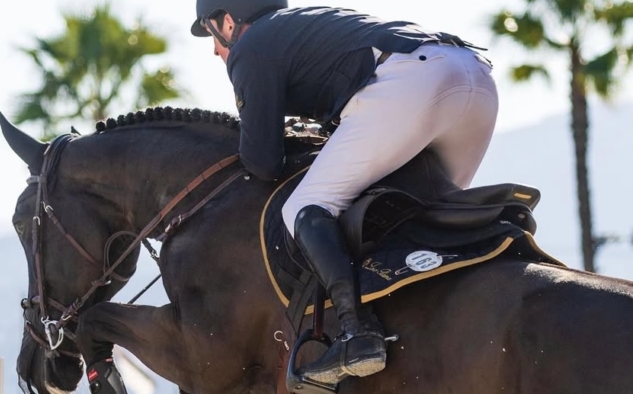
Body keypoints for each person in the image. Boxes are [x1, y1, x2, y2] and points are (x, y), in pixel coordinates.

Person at [191, 0, 498, 386]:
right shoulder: (302, 25)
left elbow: (263, 162)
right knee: (419, 212)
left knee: (303, 205)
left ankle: (358, 333)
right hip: (475, 80)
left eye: (211, 32)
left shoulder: (251, 48)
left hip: (414, 83)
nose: (214, 49)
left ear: (230, 22)